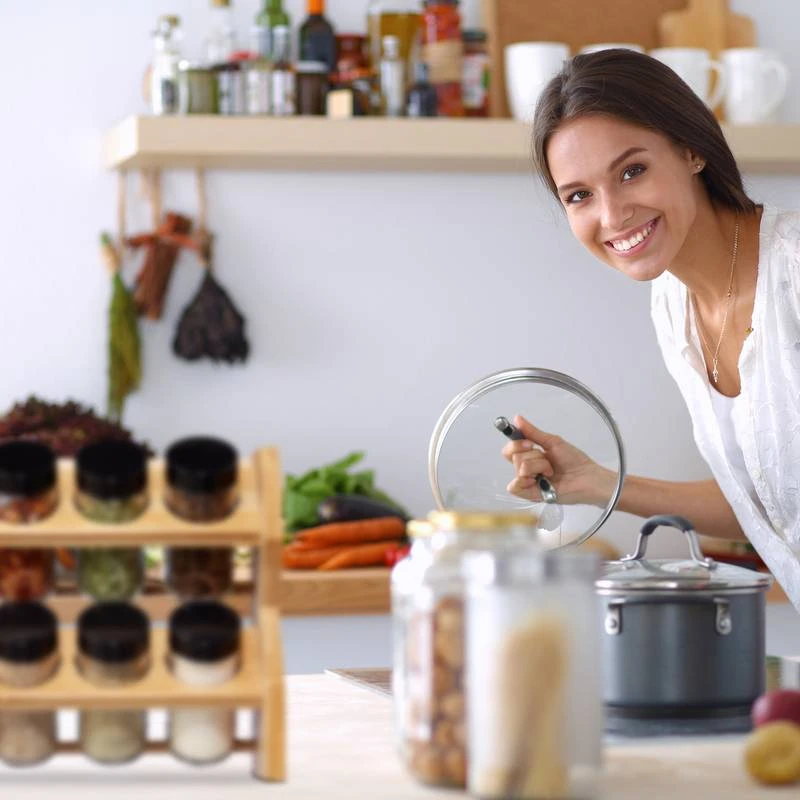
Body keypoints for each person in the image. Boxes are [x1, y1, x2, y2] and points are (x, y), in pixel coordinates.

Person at [502, 49, 800, 611]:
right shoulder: (672, 306)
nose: (612, 216)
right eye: (579, 195)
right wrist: (597, 483)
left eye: (632, 170)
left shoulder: (794, 267)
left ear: (690, 149)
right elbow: (769, 499)